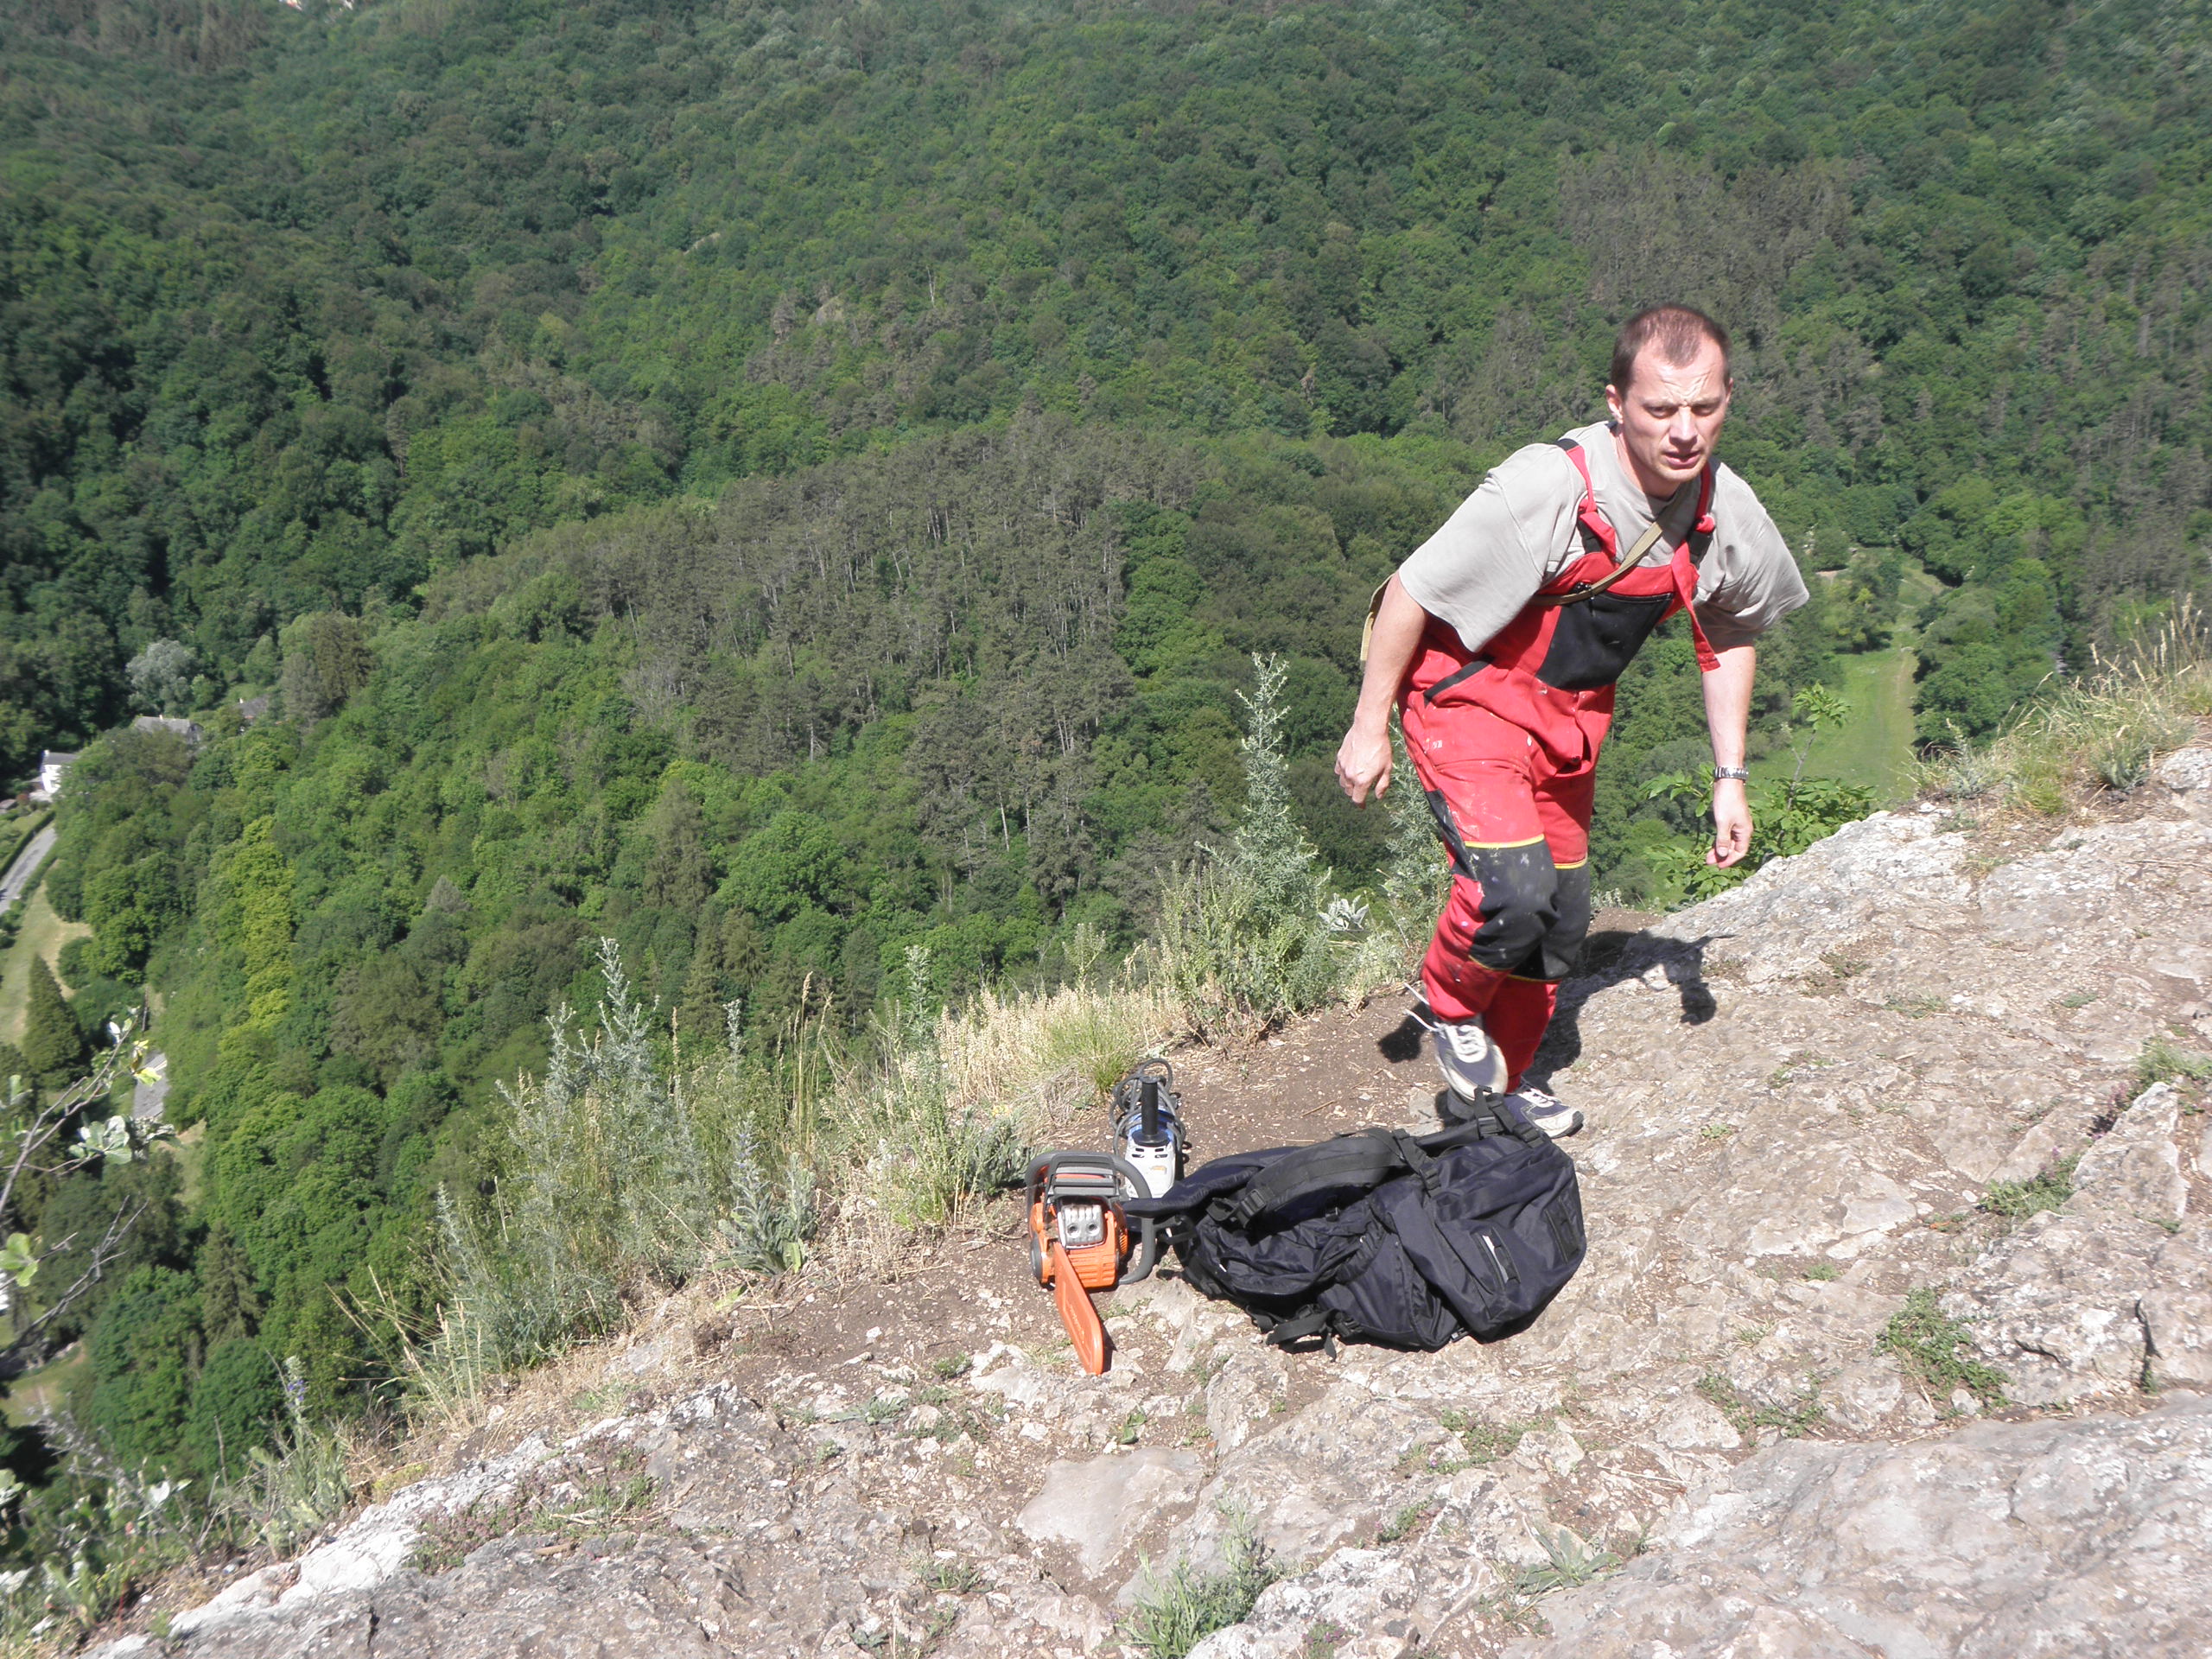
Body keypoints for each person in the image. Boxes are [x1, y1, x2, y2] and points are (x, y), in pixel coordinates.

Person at [1334, 305, 1808, 1136]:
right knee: (1509, 890)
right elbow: (1412, 590)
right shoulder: (1549, 487)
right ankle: (1448, 1007)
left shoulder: (1722, 511)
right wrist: (1369, 726)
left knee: (1562, 922)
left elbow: (1731, 629)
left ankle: (1497, 1094)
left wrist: (1731, 777)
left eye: (1705, 408)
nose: (1684, 431)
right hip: (1469, 700)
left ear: (1730, 399)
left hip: (1569, 726)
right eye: (1661, 409)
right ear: (1617, 403)